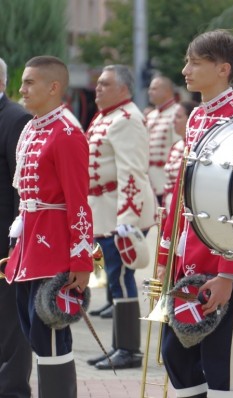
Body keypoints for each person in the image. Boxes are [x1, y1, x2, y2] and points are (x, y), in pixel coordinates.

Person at [156, 29, 233, 398]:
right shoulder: (199, 115)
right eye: (187, 61)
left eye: (196, 63)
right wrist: (167, 255)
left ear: (223, 69)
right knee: (177, 356)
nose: (186, 70)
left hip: (223, 262)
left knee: (222, 366)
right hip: (189, 255)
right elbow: (182, 193)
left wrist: (228, 273)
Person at [4, 55, 93, 398]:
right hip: (29, 249)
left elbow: (78, 202)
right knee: (34, 335)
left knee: (52, 338)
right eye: (23, 81)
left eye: (29, 82)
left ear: (53, 87)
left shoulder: (68, 132)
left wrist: (82, 261)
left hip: (55, 250)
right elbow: (25, 194)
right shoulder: (32, 126)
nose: (22, 89)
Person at [86, 64, 156, 370]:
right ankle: (119, 345)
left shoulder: (127, 119)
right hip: (105, 209)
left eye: (105, 84)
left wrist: (126, 219)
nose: (98, 88)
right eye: (98, 83)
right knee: (115, 279)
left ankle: (129, 349)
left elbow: (131, 171)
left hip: (121, 212)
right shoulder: (108, 116)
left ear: (124, 89)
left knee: (123, 281)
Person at [0, 56, 33, 398]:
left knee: (10, 324)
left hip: (4, 240)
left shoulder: (15, 118)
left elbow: (19, 186)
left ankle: (11, 390)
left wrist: (15, 242)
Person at [146, 75, 181, 205]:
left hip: (165, 181)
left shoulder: (177, 112)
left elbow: (179, 148)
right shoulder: (151, 116)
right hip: (149, 182)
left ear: (166, 91)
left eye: (154, 89)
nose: (150, 92)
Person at [162, 100, 198, 212]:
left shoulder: (196, 148)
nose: (173, 121)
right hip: (170, 206)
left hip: (185, 209)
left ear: (190, 120)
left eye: (178, 117)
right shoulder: (176, 146)